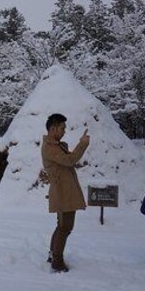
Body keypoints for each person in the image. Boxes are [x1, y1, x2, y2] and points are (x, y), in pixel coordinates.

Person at [41, 113, 90, 273]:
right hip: (63, 193)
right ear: (53, 128)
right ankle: (57, 261)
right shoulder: (49, 148)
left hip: (65, 191)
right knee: (65, 227)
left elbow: (68, 159)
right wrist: (82, 145)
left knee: (62, 226)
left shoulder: (55, 145)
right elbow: (69, 160)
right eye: (62, 128)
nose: (64, 131)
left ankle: (53, 255)